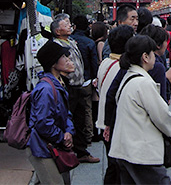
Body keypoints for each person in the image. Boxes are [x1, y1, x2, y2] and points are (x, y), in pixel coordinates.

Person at [109, 35, 171, 185]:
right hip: (141, 150)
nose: (155, 57)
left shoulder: (128, 77)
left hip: (126, 148)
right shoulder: (144, 83)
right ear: (145, 57)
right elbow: (162, 116)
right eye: (152, 53)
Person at [50, 14, 99, 164]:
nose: (70, 26)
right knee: (67, 118)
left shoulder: (71, 41)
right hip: (68, 86)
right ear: (57, 31)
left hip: (78, 85)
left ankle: (81, 151)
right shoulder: (56, 45)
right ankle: (66, 151)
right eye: (66, 24)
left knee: (80, 119)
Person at [28, 40, 76, 185]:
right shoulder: (46, 89)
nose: (68, 60)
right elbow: (43, 123)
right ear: (53, 63)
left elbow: (66, 113)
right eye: (64, 57)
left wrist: (69, 131)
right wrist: (62, 137)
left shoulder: (59, 83)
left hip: (53, 144)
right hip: (42, 148)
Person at [96, 25, 134, 185]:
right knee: (119, 167)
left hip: (104, 121)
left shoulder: (105, 62)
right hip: (115, 124)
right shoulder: (122, 68)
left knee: (113, 164)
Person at [70, 15, 99, 162]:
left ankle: (73, 140)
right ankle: (88, 135)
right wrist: (95, 78)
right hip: (86, 79)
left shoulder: (70, 41)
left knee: (72, 112)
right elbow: (93, 62)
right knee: (86, 109)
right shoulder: (89, 42)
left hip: (70, 81)